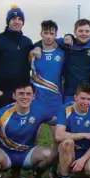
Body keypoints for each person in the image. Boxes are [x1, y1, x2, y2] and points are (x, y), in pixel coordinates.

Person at [0, 5, 33, 109]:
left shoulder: (27, 42)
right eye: (13, 19)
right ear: (8, 21)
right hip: (1, 95)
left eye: (20, 19)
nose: (16, 22)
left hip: (21, 96)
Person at [55, 84, 90, 178]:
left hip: (86, 153)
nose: (85, 102)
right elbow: (58, 135)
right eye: (82, 98)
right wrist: (84, 134)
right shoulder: (65, 109)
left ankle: (82, 175)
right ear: (75, 97)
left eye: (89, 99)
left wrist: (83, 159)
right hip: (70, 152)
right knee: (67, 142)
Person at [29, 20, 64, 155]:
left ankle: (53, 169)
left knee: (57, 139)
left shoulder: (62, 54)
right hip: (37, 102)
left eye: (51, 33)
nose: (48, 36)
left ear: (55, 35)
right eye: (46, 33)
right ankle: (33, 169)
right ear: (41, 34)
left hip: (55, 102)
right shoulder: (33, 53)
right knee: (33, 137)